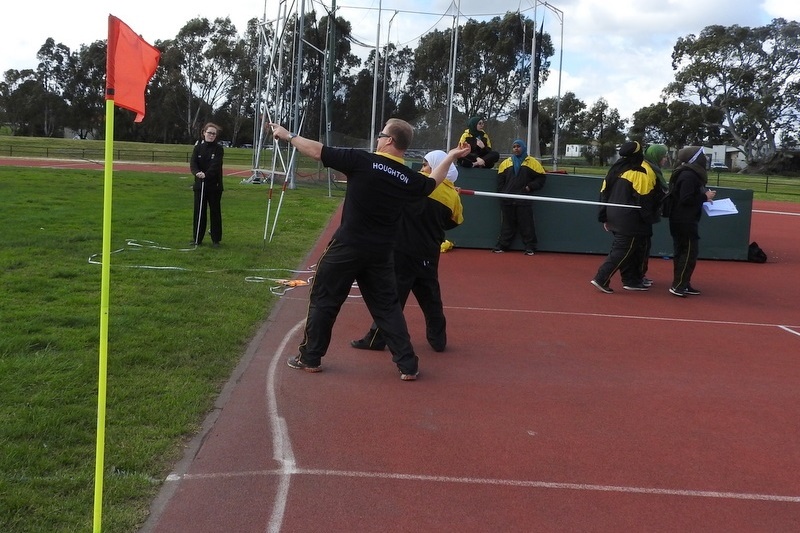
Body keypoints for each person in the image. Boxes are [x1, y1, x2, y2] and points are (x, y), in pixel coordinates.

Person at [268, 119, 470, 380]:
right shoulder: (409, 178)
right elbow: (434, 181)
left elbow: (317, 151)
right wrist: (451, 155)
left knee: (325, 300)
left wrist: (287, 135)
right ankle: (408, 365)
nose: (377, 138)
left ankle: (310, 357)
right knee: (387, 308)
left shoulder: (362, 161)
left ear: (389, 141)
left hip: (348, 246)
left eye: (381, 134)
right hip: (381, 253)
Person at [350, 150, 464, 353]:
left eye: (426, 163)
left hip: (402, 250)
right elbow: (453, 222)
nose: (422, 166)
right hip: (429, 254)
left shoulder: (416, 183)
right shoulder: (453, 196)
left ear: (437, 166)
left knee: (391, 300)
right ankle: (438, 340)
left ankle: (377, 339)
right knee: (431, 300)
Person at [590, 141, 661, 294]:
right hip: (630, 219)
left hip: (614, 215)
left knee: (632, 250)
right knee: (622, 250)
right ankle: (601, 278)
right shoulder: (639, 172)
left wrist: (604, 217)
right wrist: (650, 218)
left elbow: (603, 194)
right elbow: (645, 198)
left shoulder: (614, 171)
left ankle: (631, 280)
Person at [666, 146, 716, 297]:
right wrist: (705, 197)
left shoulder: (688, 174)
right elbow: (686, 199)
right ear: (695, 158)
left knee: (683, 252)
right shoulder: (688, 175)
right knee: (688, 253)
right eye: (702, 155)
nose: (705, 159)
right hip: (684, 220)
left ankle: (683, 283)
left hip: (683, 219)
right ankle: (679, 285)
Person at [492, 139, 547, 255]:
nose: (516, 148)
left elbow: (541, 178)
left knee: (527, 224)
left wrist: (530, 187)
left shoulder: (533, 162)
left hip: (524, 199)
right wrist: (502, 194)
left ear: (523, 148)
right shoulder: (505, 163)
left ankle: (530, 247)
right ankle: (502, 245)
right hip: (507, 200)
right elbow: (500, 181)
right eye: (514, 147)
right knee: (507, 224)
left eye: (518, 146)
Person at [189, 122, 224, 246]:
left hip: (214, 186)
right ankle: (197, 239)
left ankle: (216, 239)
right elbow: (193, 163)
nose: (211, 135)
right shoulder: (198, 147)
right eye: (209, 133)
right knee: (199, 212)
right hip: (199, 186)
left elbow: (215, 165)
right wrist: (197, 173)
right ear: (204, 133)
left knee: (215, 212)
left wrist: (206, 175)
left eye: (214, 134)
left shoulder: (219, 149)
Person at [640, 144, 670, 286]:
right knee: (641, 247)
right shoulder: (647, 169)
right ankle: (635, 277)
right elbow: (647, 195)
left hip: (646, 215)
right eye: (663, 156)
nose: (665, 159)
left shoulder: (653, 169)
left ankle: (639, 275)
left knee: (645, 246)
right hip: (642, 216)